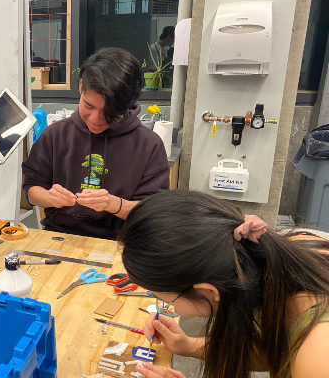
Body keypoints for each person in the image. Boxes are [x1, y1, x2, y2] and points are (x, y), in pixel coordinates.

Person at [118, 190, 329, 378]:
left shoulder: (318, 355)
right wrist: (190, 345)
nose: (167, 306)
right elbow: (274, 349)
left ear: (208, 291)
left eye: (164, 299)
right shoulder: (279, 256)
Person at [22, 47, 169, 240]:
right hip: (59, 238)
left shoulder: (148, 144)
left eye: (110, 112)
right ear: (81, 86)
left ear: (127, 105)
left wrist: (114, 204)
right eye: (88, 106)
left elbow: (153, 211)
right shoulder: (56, 135)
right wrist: (50, 197)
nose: (96, 119)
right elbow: (32, 190)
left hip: (120, 242)